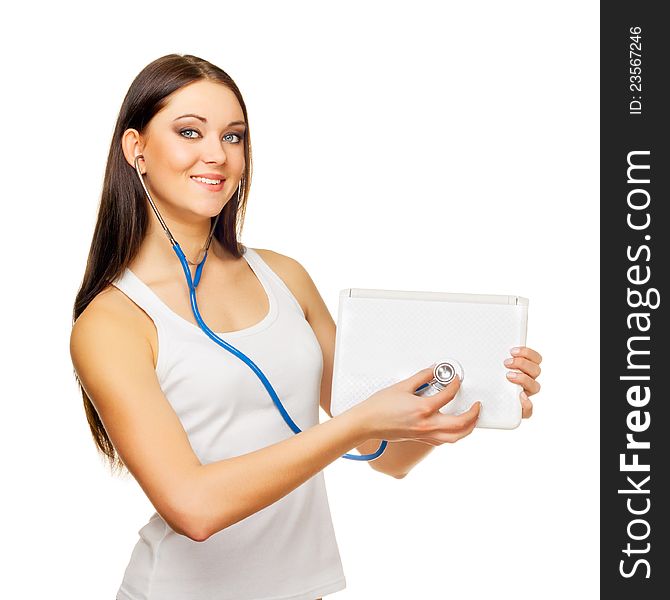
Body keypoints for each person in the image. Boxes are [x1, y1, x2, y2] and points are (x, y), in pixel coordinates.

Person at [69, 54, 543, 600]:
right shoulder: (111, 322)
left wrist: (475, 392)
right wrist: (358, 422)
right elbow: (193, 509)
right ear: (137, 149)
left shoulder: (284, 277)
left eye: (233, 136)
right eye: (189, 132)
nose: (215, 155)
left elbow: (387, 455)